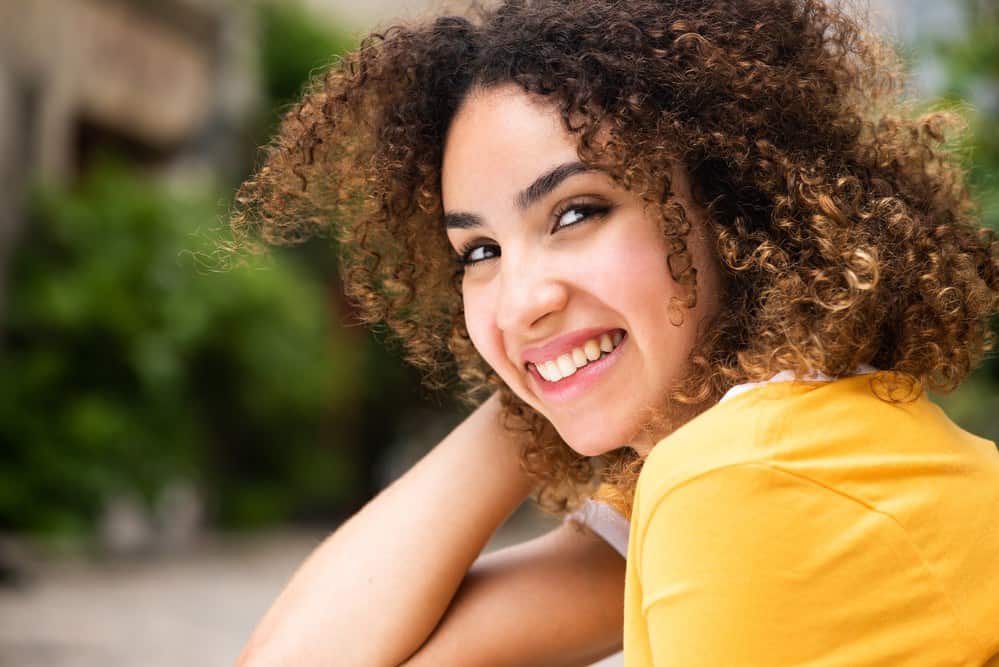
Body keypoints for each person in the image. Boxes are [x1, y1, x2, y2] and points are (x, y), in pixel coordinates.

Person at [230, 0, 999, 665]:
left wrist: (565, 354)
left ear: (728, 201)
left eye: (576, 212)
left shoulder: (741, 477)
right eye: (480, 251)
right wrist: (541, 366)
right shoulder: (773, 447)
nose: (520, 298)